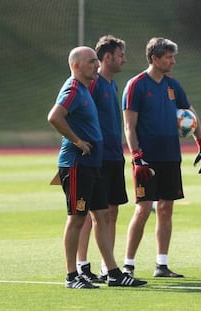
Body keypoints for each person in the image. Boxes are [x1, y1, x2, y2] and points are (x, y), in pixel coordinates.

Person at [47, 46, 147, 288]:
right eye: (91, 62)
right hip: (77, 164)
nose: (95, 65)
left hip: (93, 165)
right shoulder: (72, 89)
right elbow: (54, 116)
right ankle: (72, 276)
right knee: (77, 218)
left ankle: (113, 273)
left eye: (95, 61)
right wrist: (78, 141)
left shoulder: (84, 89)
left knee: (101, 215)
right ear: (76, 66)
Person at [122, 37, 201, 278]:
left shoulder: (173, 85)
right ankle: (128, 265)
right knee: (142, 209)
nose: (173, 61)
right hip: (146, 159)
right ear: (154, 59)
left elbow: (190, 115)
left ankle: (161, 264)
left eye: (173, 57)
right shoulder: (136, 85)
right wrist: (137, 157)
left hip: (171, 156)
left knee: (166, 208)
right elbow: (129, 126)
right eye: (169, 57)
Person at [76, 35, 128, 283]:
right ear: (107, 58)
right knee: (90, 212)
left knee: (111, 212)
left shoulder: (112, 85)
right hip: (98, 157)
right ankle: (82, 265)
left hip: (114, 156)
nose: (124, 60)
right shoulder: (94, 84)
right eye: (120, 56)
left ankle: (109, 267)